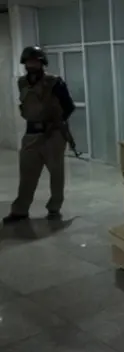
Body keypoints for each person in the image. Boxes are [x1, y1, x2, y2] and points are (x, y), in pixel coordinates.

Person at [2, 46, 76, 224]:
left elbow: (69, 106)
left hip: (53, 134)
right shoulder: (22, 83)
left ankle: (54, 206)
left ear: (42, 63)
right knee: (27, 173)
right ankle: (20, 210)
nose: (31, 64)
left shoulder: (54, 82)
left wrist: (57, 123)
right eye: (28, 61)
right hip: (31, 133)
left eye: (35, 61)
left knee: (56, 174)